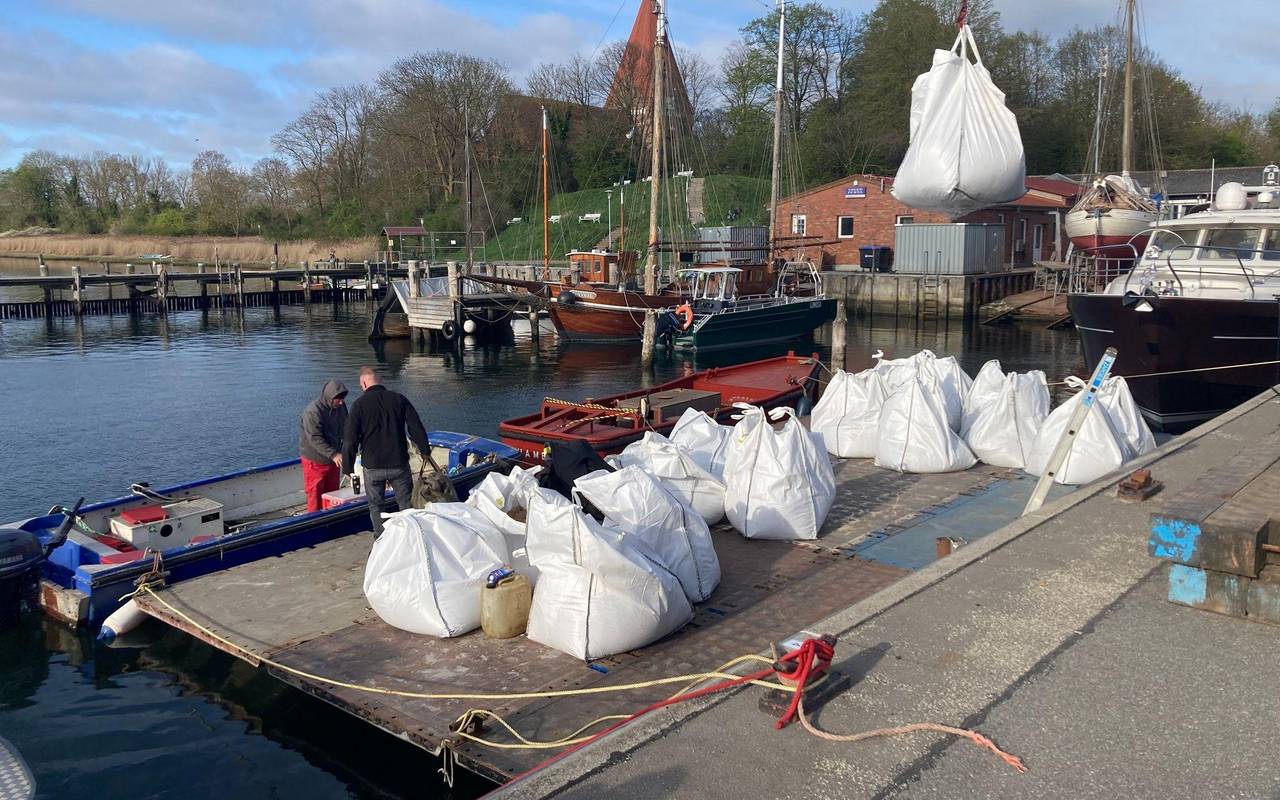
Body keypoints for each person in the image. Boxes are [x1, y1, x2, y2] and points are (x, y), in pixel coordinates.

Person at [342, 366, 431, 537]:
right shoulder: (399, 399)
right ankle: (411, 536)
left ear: (363, 383)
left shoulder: (359, 405)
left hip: (373, 465)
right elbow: (416, 427)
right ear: (380, 380)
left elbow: (350, 439)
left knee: (376, 506)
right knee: (405, 503)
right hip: (398, 462)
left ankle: (381, 539)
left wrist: (348, 467)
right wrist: (424, 450)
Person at [299, 380, 349, 512]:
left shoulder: (341, 408)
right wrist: (333, 454)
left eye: (343, 398)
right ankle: (313, 520)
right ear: (329, 397)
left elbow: (347, 426)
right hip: (315, 461)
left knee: (332, 494)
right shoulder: (313, 412)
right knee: (315, 494)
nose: (341, 402)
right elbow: (314, 438)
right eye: (338, 399)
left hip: (334, 460)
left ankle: (332, 519)